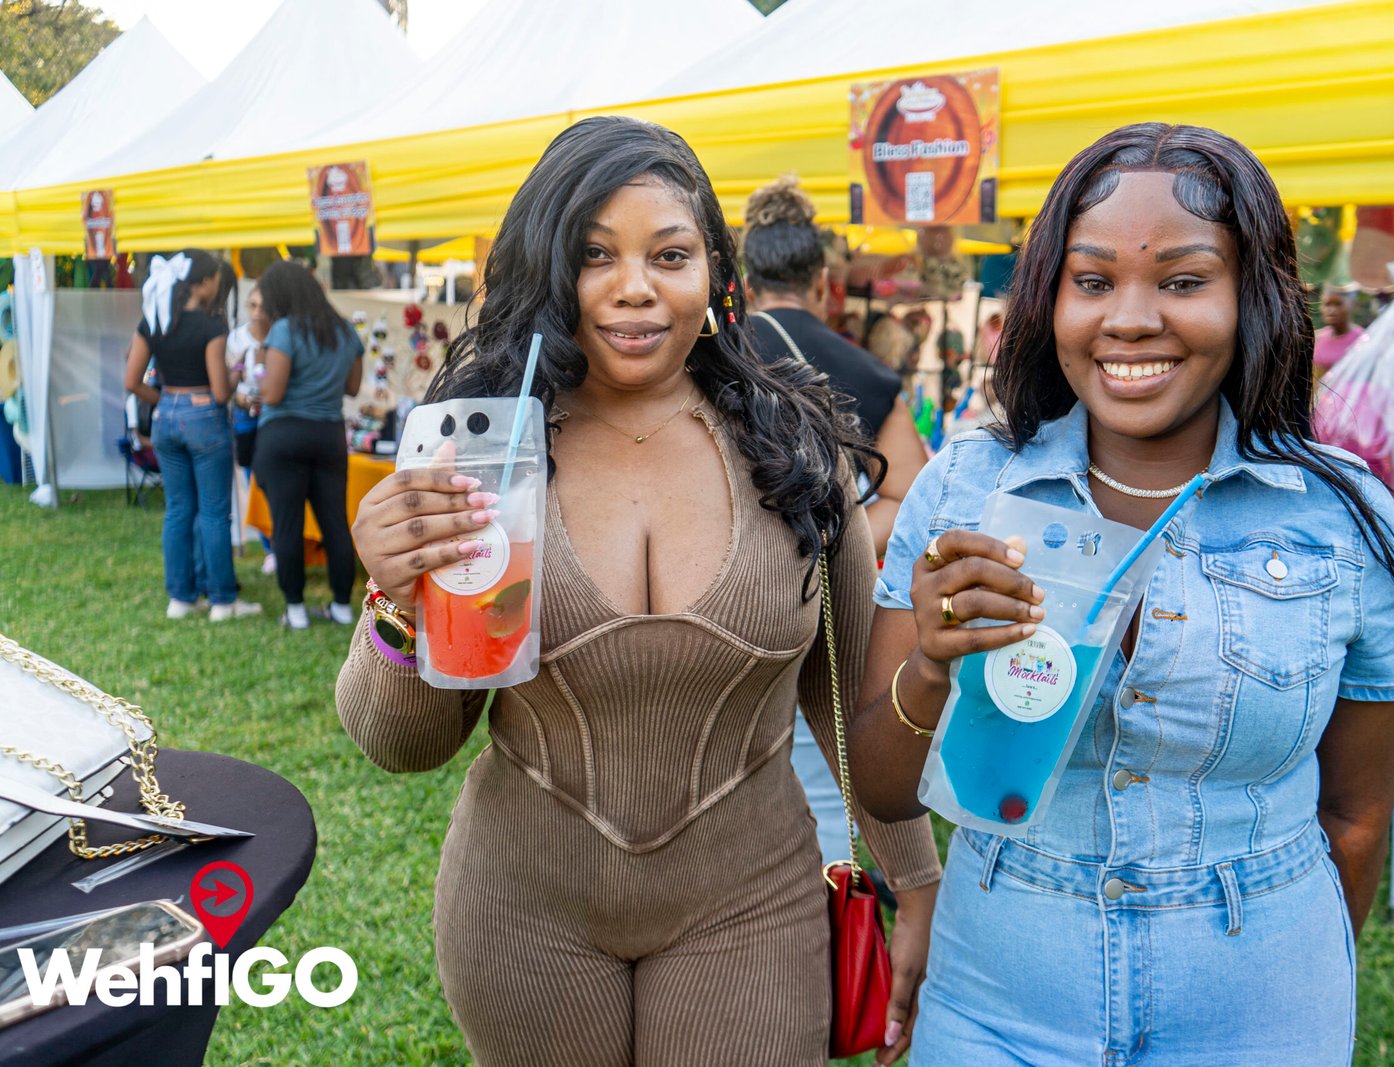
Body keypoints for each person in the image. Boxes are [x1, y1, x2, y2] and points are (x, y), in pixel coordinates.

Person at [335, 116, 940, 1067]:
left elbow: (852, 704)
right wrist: (399, 600)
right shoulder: (484, 457)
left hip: (754, 906)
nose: (634, 287)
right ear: (548, 267)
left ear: (715, 271)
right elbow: (404, 744)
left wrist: (918, 884)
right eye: (594, 255)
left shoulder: (793, 450)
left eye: (669, 254)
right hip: (523, 916)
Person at [850, 123, 1394, 1065]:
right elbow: (882, 787)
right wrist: (930, 663)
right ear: (1050, 299)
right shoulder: (966, 488)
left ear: (1254, 296)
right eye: (1092, 281)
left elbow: (1357, 817)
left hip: (1258, 1010)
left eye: (1183, 281)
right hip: (997, 1004)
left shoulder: (1343, 521)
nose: (1129, 318)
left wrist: (1298, 988)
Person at [742, 173, 932, 883]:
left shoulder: (710, 360)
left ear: (744, 281)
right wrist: (827, 543)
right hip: (829, 610)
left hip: (727, 607)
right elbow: (909, 495)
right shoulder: (866, 372)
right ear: (822, 283)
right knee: (827, 776)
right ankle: (834, 894)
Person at [122, 249, 261, 622]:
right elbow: (220, 392)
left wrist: (169, 402)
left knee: (178, 509)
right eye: (215, 278)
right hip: (205, 418)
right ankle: (222, 601)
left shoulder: (153, 320)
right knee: (214, 512)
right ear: (204, 282)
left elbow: (132, 381)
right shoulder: (211, 326)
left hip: (166, 418)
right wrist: (235, 372)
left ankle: (180, 599)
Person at [253, 261, 363, 630]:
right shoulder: (345, 331)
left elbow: (272, 393)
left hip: (284, 436)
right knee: (335, 522)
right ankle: (342, 606)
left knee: (287, 524)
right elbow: (353, 388)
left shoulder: (284, 330)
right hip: (328, 435)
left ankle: (296, 611)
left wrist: (260, 363)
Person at [228, 286, 275, 575]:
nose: (257, 312)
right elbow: (225, 382)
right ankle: (270, 548)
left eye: (263, 306)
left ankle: (282, 544)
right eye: (252, 305)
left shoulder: (279, 337)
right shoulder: (236, 339)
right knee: (253, 480)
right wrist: (241, 398)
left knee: (275, 480)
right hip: (246, 414)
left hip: (274, 413)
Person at [1313, 285, 1365, 378]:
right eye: (1327, 304)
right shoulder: (1316, 339)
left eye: (1338, 304)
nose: (1331, 310)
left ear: (1354, 305)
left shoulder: (1363, 340)